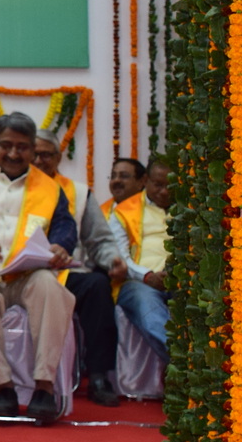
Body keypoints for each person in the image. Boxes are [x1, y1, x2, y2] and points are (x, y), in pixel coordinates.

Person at [0, 113, 78, 423]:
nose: (13, 153)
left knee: (50, 286)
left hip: (26, 275)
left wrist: (60, 245)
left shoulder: (50, 188)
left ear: (33, 149)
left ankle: (44, 387)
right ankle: (3, 387)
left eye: (22, 147)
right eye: (6, 145)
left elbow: (65, 226)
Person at [32, 130, 130, 406]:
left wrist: (113, 260)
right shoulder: (13, 188)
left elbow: (99, 240)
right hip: (21, 274)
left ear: (58, 158)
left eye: (46, 155)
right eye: (34, 154)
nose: (38, 161)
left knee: (97, 285)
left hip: (66, 272)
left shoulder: (77, 192)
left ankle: (98, 376)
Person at [109, 154, 172, 357]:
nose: (164, 191)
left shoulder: (189, 208)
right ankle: (182, 362)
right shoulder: (123, 212)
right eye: (158, 185)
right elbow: (120, 258)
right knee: (149, 310)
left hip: (180, 280)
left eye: (170, 185)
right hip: (138, 282)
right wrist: (147, 276)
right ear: (145, 180)